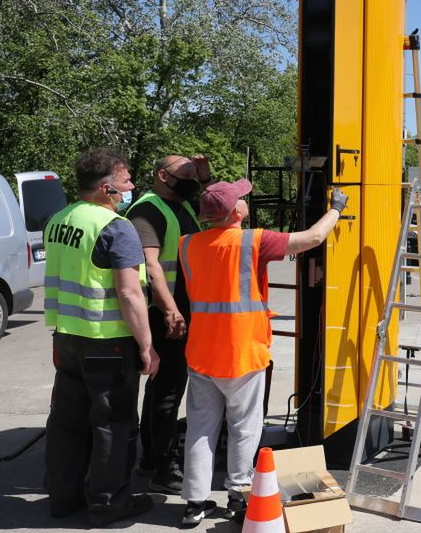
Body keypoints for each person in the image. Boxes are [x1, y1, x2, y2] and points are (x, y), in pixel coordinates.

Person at [176, 179, 347, 527]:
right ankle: (238, 494)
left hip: (201, 353)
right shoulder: (253, 240)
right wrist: (337, 208)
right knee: (244, 427)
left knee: (201, 428)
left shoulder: (187, 244)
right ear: (234, 211)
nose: (246, 200)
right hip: (241, 352)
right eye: (241, 198)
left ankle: (194, 503)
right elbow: (312, 238)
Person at [43, 148, 160, 527]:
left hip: (67, 338)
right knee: (114, 425)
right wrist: (146, 345)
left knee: (67, 423)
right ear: (108, 188)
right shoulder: (116, 227)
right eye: (126, 182)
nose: (131, 188)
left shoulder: (58, 220)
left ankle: (63, 499)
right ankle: (109, 505)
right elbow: (129, 293)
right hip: (107, 342)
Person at [126, 155, 212, 494]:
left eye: (194, 175)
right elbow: (151, 264)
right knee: (168, 390)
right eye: (186, 174)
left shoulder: (182, 206)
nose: (192, 180)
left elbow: (220, 208)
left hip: (182, 310)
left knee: (164, 387)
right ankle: (162, 464)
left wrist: (205, 178)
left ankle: (151, 457)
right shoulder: (147, 211)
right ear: (163, 175)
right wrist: (170, 310)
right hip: (164, 313)